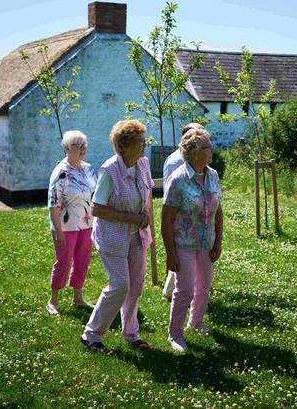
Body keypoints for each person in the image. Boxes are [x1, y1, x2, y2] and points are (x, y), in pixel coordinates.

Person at [80, 120, 153, 352]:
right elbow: (96, 208)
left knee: (136, 286)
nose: (144, 146)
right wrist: (128, 217)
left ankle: (131, 334)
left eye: (144, 141)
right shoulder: (110, 170)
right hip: (113, 237)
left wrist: (146, 215)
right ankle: (91, 334)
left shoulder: (143, 164)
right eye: (140, 142)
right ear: (123, 147)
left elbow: (147, 195)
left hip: (137, 236)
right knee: (120, 284)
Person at [162, 128, 223, 352]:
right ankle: (175, 334)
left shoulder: (213, 175)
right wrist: (170, 253)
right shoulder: (178, 180)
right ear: (194, 152)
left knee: (204, 287)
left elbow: (219, 210)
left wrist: (218, 241)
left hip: (207, 242)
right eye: (208, 147)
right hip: (183, 244)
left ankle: (196, 322)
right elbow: (166, 219)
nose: (212, 151)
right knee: (184, 289)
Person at [47, 130, 97, 315]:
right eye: (77, 145)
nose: (82, 148)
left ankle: (78, 297)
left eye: (84, 144)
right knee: (63, 262)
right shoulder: (60, 172)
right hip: (66, 226)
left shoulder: (89, 169)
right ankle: (53, 300)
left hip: (87, 224)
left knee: (82, 261)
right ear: (67, 148)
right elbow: (53, 204)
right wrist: (58, 231)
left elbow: (95, 196)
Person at [161, 122, 205, 301]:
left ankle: (176, 291)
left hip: (194, 215)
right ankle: (173, 292)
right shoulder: (177, 161)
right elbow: (172, 193)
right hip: (182, 217)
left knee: (190, 258)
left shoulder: (193, 159)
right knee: (182, 256)